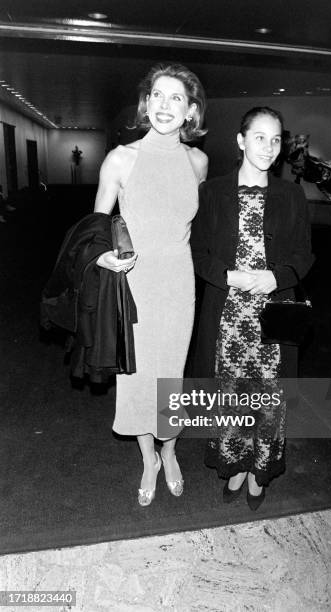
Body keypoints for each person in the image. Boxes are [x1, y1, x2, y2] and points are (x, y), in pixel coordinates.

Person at [94, 63, 208, 506]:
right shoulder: (122, 158)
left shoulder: (197, 161)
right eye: (157, 96)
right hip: (134, 285)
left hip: (179, 285)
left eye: (176, 98)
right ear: (146, 104)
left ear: (190, 111)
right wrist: (102, 254)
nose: (164, 105)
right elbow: (97, 226)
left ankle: (171, 450)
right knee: (138, 376)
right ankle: (149, 459)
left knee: (170, 376)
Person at [190, 107, 314, 510]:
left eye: (276, 139)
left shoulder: (292, 195)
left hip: (273, 313)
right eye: (259, 137)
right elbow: (198, 253)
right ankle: (237, 465)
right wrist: (230, 276)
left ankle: (260, 472)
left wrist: (277, 278)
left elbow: (304, 255)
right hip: (228, 315)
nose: (268, 147)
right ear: (240, 141)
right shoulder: (211, 192)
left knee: (270, 398)